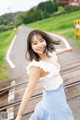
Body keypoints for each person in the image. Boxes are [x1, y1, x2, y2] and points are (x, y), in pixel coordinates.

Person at [15, 29, 74, 120]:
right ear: (31, 47)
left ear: (45, 40)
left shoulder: (48, 53)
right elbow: (29, 90)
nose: (40, 45)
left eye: (41, 41)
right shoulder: (36, 67)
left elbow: (55, 52)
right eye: (35, 43)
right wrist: (19, 115)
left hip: (58, 94)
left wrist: (66, 49)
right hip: (54, 101)